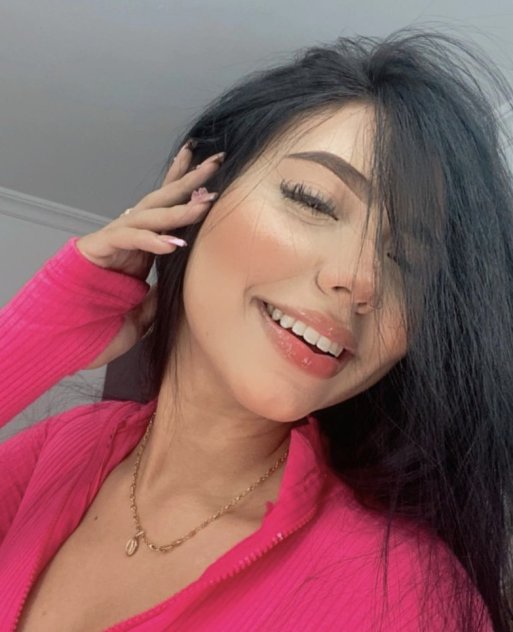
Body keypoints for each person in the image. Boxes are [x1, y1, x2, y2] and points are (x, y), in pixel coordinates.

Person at [1, 29, 512, 632]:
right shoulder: (62, 449)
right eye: (314, 200)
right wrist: (48, 323)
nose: (363, 280)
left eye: (409, 262)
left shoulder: (404, 594)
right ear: (195, 197)